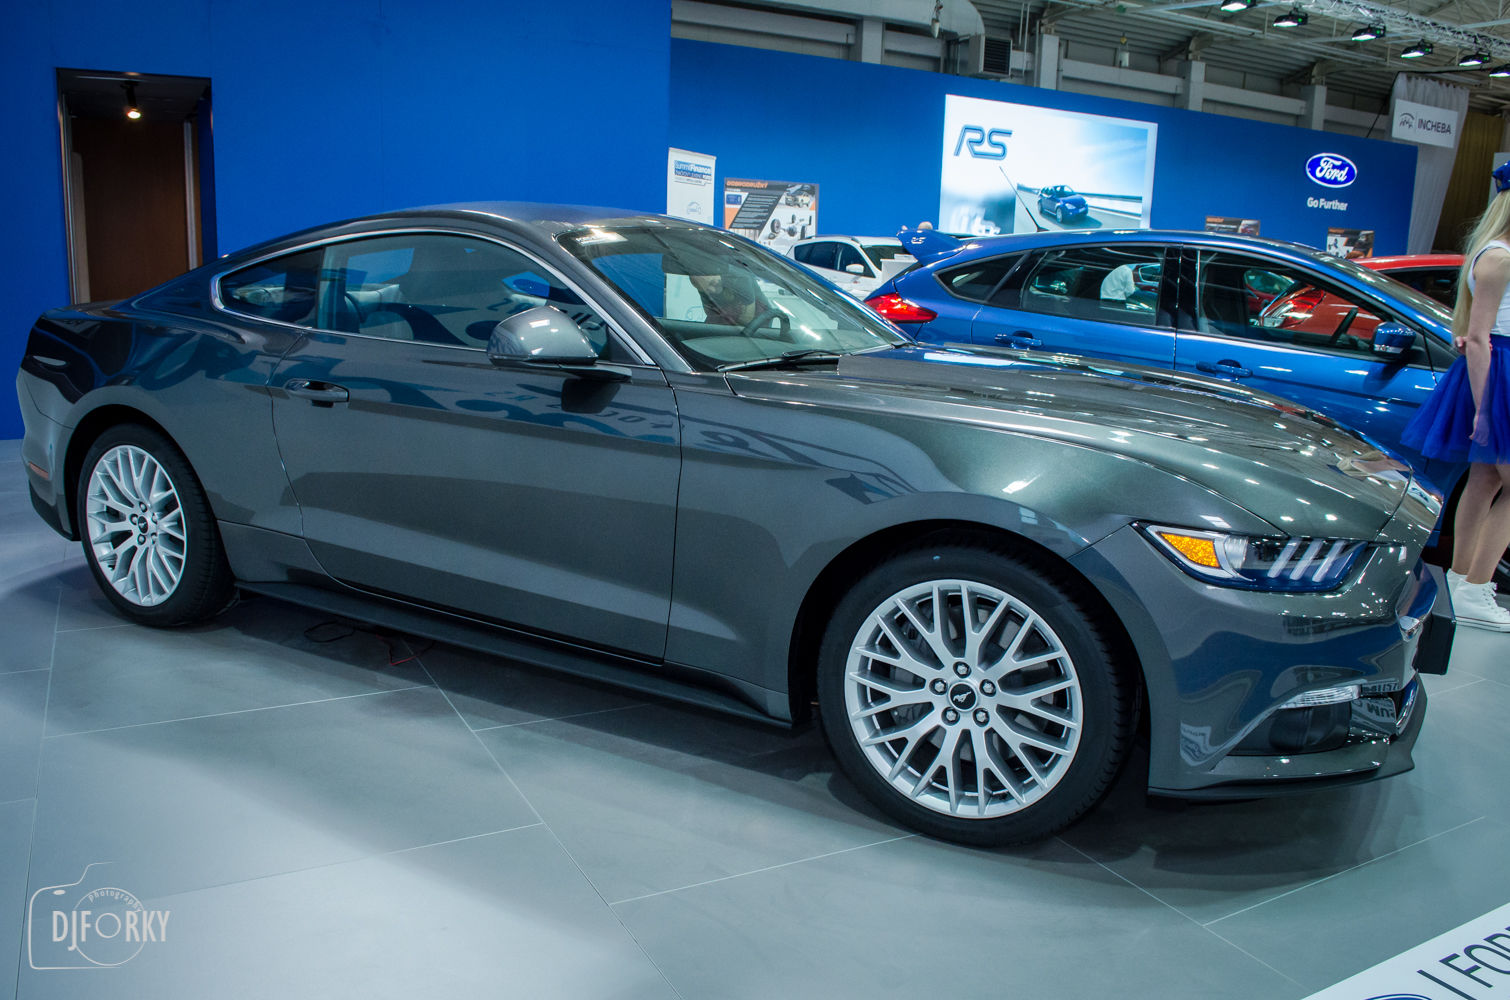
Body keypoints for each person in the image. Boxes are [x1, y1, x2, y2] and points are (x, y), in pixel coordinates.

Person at [1401, 161, 1510, 631]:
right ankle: (1475, 587)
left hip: (1494, 371)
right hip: (1498, 373)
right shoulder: (1501, 257)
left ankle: (1463, 586)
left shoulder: (1492, 253)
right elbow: (1480, 336)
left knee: (1485, 481)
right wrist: (1487, 409)